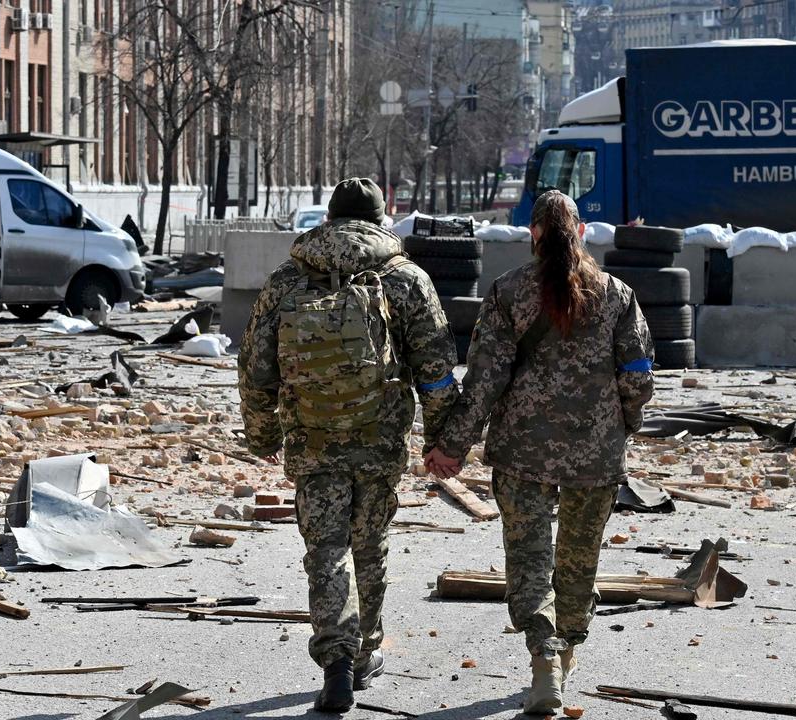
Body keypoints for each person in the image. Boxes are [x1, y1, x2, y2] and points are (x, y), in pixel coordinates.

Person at [425, 190, 655, 715]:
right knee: (578, 562)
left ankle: (543, 658)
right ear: (579, 233)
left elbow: (484, 380)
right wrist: (625, 425)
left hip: (521, 451)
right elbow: (638, 376)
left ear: (533, 234)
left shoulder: (508, 293)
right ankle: (567, 650)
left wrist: (451, 447)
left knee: (529, 562)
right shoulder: (617, 294)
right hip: (594, 457)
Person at [239, 178, 459, 713]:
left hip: (312, 437)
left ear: (331, 219)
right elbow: (435, 371)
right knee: (369, 543)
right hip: (379, 436)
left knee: (326, 550)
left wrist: (263, 433)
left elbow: (254, 368)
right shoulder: (404, 278)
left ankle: (335, 662)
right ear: (381, 219)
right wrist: (442, 441)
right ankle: (363, 653)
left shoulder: (288, 278)